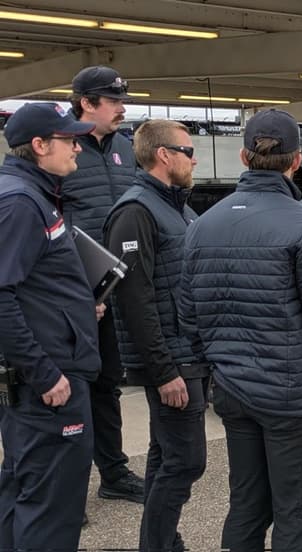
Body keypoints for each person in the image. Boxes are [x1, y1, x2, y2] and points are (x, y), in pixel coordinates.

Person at [179, 109, 302, 552]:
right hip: (297, 402)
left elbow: (189, 316)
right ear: (297, 162)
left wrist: (212, 372)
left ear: (244, 157)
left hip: (234, 393)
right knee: (298, 515)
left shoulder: (202, 225)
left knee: (247, 505)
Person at [0, 102, 104, 551]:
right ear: (39, 146)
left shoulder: (30, 194)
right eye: (68, 139)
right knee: (52, 507)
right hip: (50, 385)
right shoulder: (23, 202)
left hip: (45, 372)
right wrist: (45, 373)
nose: (77, 147)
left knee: (22, 492)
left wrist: (80, 309)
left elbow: (33, 286)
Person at [102, 120, 209, 552]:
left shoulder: (174, 207)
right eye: (187, 150)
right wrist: (163, 371)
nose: (194, 158)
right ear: (163, 155)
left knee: (167, 456)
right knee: (186, 461)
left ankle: (162, 541)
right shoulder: (135, 211)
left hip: (187, 350)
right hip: (171, 360)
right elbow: (133, 298)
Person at [63, 65, 144, 504]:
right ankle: (68, 484)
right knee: (75, 384)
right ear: (86, 104)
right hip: (76, 291)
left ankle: (113, 473)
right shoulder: (60, 149)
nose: (121, 109)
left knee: (109, 380)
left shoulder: (126, 149)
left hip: (119, 286)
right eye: (112, 102)